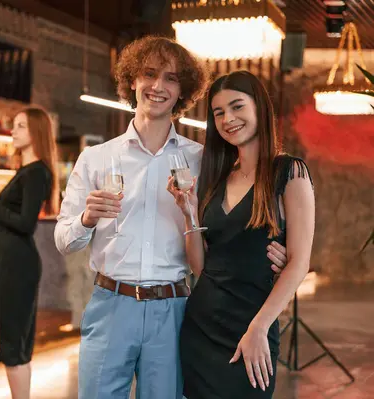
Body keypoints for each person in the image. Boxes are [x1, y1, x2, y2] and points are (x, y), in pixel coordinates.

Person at [54, 36, 289, 399]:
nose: (158, 86)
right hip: (110, 305)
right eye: (149, 74)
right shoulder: (96, 159)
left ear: (184, 91)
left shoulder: (203, 162)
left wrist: (273, 252)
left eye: (171, 78)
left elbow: (231, 229)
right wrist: (86, 218)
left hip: (175, 310)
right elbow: (63, 240)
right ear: (132, 80)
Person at [170, 70, 315, 398]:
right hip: (201, 327)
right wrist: (189, 212)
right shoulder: (218, 178)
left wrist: (259, 327)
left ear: (259, 108)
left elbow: (299, 262)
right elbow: (201, 269)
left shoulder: (289, 172)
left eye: (237, 107)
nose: (227, 119)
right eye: (218, 112)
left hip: (253, 326)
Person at [0, 106, 60, 399]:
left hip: (19, 266)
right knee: (14, 342)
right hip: (13, 265)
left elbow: (25, 223)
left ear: (36, 132)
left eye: (20, 126)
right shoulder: (28, 171)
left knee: (14, 344)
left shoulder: (36, 173)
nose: (13, 130)